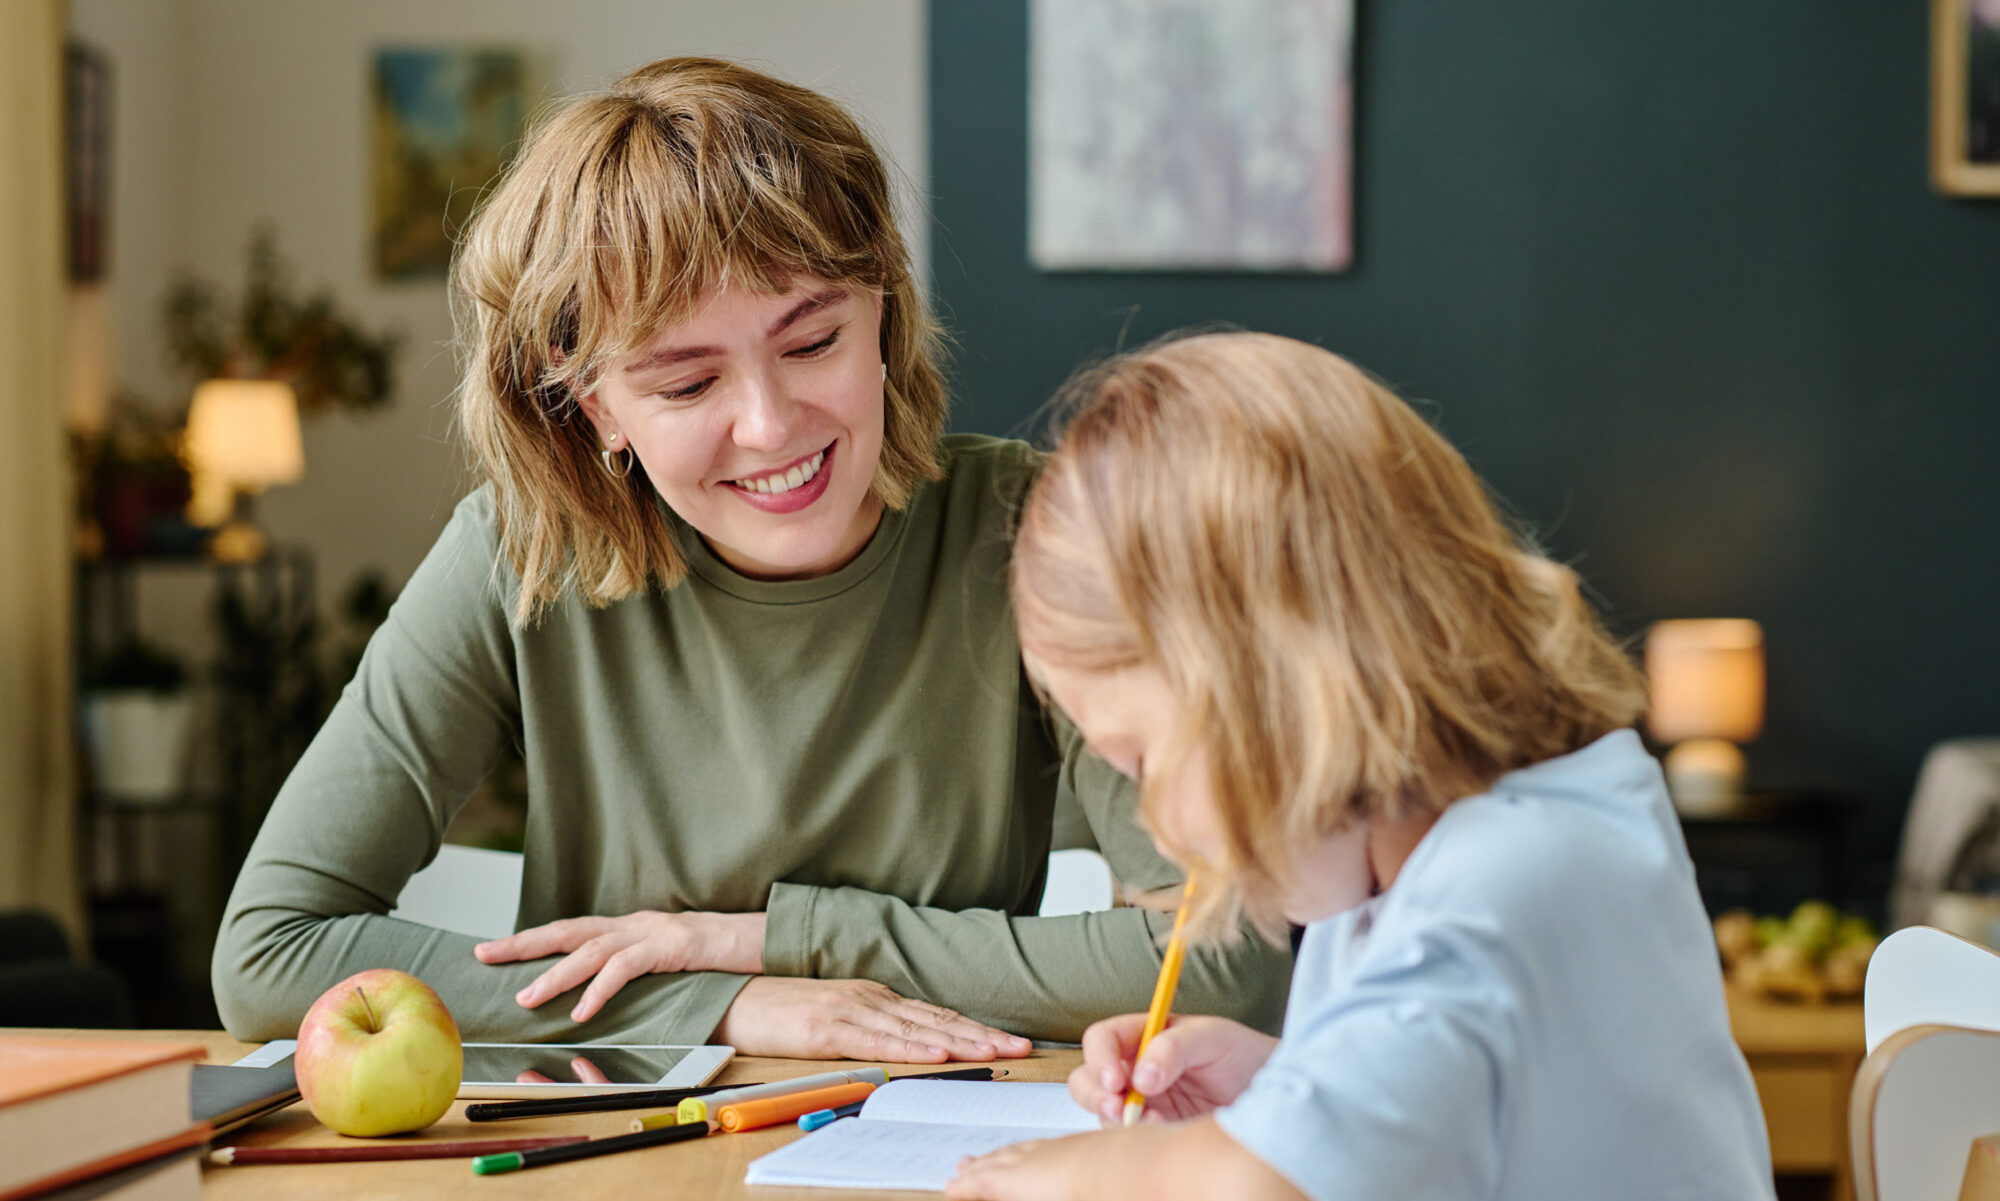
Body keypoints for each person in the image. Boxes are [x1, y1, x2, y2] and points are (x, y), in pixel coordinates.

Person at [209, 58, 1290, 1061]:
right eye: (686, 385)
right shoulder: (515, 555)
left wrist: (769, 939)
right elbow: (268, 955)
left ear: (882, 314)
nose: (771, 426)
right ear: (592, 402)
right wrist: (723, 1004)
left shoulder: (1038, 529)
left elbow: (1220, 965)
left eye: (812, 341)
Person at [948, 332, 1775, 1200]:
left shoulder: (1507, 881)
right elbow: (1471, 1105)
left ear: (1281, 679)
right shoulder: (1421, 852)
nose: (1153, 822)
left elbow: (1258, 1186)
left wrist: (1083, 1171)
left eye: (1142, 759)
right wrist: (1281, 1085)